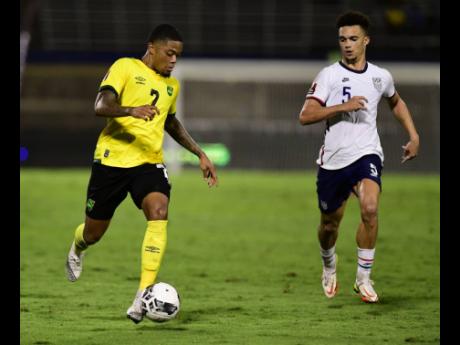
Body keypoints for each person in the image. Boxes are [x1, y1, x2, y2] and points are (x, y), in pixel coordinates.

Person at [65, 24, 218, 323]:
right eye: (169, 53)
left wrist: (199, 153)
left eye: (178, 55)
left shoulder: (171, 86)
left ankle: (142, 295)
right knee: (93, 233)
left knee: (159, 210)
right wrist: (131, 110)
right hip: (112, 162)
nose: (174, 60)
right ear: (152, 48)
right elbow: (101, 105)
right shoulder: (125, 66)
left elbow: (170, 123)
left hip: (148, 162)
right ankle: (77, 246)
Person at [298, 11, 419, 303]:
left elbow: (396, 101)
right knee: (329, 225)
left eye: (353, 39)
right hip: (333, 162)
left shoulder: (381, 76)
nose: (347, 44)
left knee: (370, 207)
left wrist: (413, 135)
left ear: (366, 40)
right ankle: (329, 264)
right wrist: (342, 106)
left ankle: (363, 279)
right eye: (342, 39)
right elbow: (306, 115)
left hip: (367, 153)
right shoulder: (329, 75)